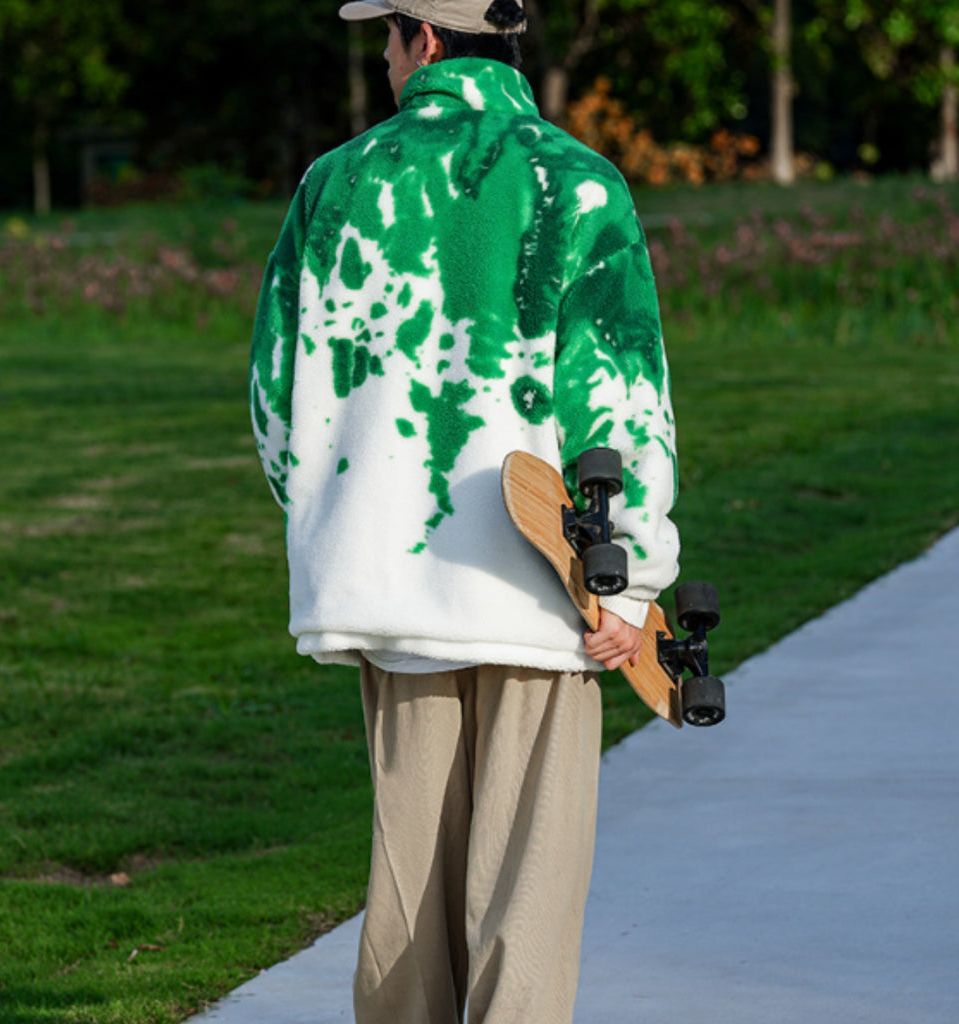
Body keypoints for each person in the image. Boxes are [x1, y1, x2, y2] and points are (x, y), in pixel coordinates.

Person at [249, 1, 679, 1021]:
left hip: (394, 595)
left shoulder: (337, 181)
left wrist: (333, 520)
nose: (386, 62)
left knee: (407, 899)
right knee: (523, 903)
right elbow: (620, 394)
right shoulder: (577, 182)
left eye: (388, 40)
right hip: (547, 587)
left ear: (423, 41)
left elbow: (277, 397)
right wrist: (635, 573)